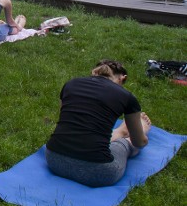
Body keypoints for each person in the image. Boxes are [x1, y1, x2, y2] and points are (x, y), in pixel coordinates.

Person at [45, 59, 151, 187]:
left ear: (94, 72)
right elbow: (139, 143)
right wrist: (144, 130)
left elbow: (66, 119)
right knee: (128, 144)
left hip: (54, 160)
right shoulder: (126, 96)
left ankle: (119, 131)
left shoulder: (70, 84)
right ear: (123, 78)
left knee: (85, 129)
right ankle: (123, 132)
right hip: (99, 173)